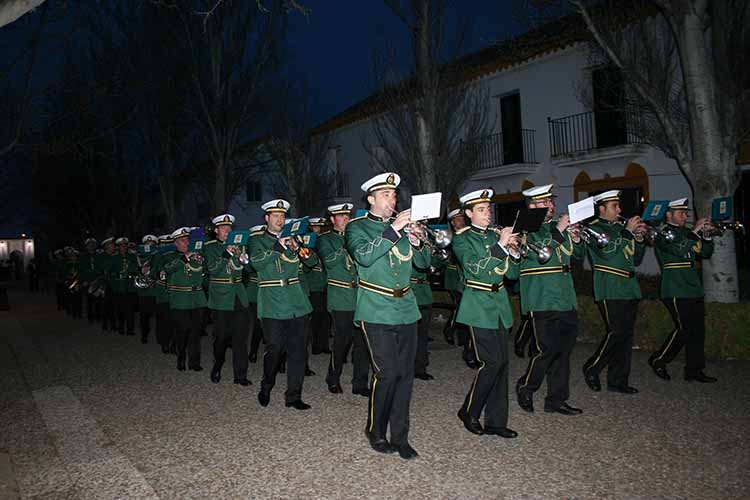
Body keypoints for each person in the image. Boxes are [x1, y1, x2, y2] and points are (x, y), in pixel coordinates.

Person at [345, 172, 431, 460]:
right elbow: (365, 257)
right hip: (375, 308)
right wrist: (394, 230)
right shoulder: (357, 228)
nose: (392, 199)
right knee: (388, 373)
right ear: (371, 199)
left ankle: (401, 437)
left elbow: (423, 265)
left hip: (406, 307)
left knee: (406, 375)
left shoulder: (404, 228)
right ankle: (376, 430)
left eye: (394, 195)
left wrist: (418, 241)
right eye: (385, 195)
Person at [452, 188, 519, 439]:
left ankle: (496, 421)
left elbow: (511, 275)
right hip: (478, 304)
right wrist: (501, 245)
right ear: (469, 213)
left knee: (502, 364)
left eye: (488, 209)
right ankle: (469, 411)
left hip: (499, 303)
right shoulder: (462, 238)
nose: (487, 213)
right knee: (490, 362)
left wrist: (513, 251)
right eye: (481, 210)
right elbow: (476, 270)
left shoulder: (495, 234)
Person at [515, 184, 584, 416]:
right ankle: (526, 386)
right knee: (546, 349)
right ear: (533, 206)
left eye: (552, 201)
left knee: (564, 351)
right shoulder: (525, 229)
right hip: (541, 296)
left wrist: (576, 237)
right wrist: (561, 231)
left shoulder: (557, 227)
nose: (552, 206)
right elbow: (541, 254)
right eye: (546, 202)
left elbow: (577, 257)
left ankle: (556, 399)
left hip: (565, 297)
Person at [251, 200, 317, 410]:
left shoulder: (294, 239)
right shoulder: (257, 240)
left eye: (282, 216)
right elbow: (256, 263)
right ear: (266, 218)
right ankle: (266, 384)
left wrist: (298, 247)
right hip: (272, 302)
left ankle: (293, 396)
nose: (280, 220)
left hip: (297, 301)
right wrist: (277, 247)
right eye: (276, 216)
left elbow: (312, 262)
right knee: (275, 349)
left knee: (298, 351)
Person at [582, 190, 647, 395]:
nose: (619, 210)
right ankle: (592, 367)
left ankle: (618, 380)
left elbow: (636, 259)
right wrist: (627, 232)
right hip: (609, 286)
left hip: (629, 286)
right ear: (601, 208)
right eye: (614, 206)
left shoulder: (621, 228)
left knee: (626, 336)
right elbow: (607, 252)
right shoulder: (593, 229)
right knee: (616, 332)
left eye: (619, 206)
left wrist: (639, 238)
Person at [648, 198, 717, 383]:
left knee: (697, 331)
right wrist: (695, 232)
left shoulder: (687, 232)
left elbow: (705, 253)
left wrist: (707, 236)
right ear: (669, 215)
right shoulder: (662, 233)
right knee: (684, 329)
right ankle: (659, 359)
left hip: (693, 287)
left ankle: (694, 370)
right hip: (675, 287)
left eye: (686, 213)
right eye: (681, 213)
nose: (685, 216)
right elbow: (679, 250)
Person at [320, 203, 370, 397]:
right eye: (341, 217)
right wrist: (346, 246)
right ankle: (333, 377)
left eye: (348, 216)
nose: (346, 219)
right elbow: (329, 262)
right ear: (333, 220)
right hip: (340, 296)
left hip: (360, 295)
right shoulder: (326, 239)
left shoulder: (356, 237)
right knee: (342, 340)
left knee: (362, 341)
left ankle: (359, 383)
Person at [204, 214, 251, 386]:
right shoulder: (210, 247)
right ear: (216, 231)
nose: (228, 231)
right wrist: (226, 253)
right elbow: (213, 269)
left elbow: (248, 268)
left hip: (238, 295)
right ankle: (217, 365)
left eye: (229, 228)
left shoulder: (240, 244)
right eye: (224, 228)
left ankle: (240, 375)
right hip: (221, 298)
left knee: (240, 338)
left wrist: (244, 258)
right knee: (222, 337)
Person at [164, 227, 206, 372]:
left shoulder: (197, 255)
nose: (186, 243)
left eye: (187, 240)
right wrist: (185, 257)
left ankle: (194, 362)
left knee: (195, 332)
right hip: (180, 300)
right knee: (182, 331)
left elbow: (203, 275)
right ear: (176, 243)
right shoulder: (170, 256)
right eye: (182, 241)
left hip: (196, 300)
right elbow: (167, 269)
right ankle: (181, 359)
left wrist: (200, 260)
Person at [150, 235, 176, 354]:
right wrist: (158, 272)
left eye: (169, 244)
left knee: (175, 320)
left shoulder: (177, 255)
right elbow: (153, 272)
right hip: (162, 293)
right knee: (163, 320)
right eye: (164, 244)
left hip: (175, 292)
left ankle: (174, 344)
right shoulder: (157, 256)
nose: (167, 247)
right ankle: (164, 342)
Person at [110, 237, 139, 335]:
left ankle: (130, 329)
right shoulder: (114, 258)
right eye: (121, 245)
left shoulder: (132, 257)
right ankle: (121, 327)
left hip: (130, 287)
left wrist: (131, 273)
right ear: (118, 247)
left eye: (125, 245)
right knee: (120, 310)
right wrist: (117, 275)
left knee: (130, 310)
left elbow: (137, 269)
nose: (124, 247)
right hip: (119, 287)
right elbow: (110, 272)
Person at [246, 224, 265, 364]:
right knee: (258, 325)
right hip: (255, 291)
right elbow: (248, 269)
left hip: (270, 290)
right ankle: (253, 351)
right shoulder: (251, 251)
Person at [137, 234, 160, 344]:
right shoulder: (139, 257)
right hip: (145, 291)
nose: (149, 246)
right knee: (144, 316)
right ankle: (144, 335)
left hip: (156, 291)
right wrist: (140, 270)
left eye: (152, 245)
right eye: (147, 244)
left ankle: (160, 337)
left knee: (160, 317)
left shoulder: (158, 256)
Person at [78, 238, 99, 322]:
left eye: (93, 244)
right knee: (89, 300)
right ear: (86, 246)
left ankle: (98, 316)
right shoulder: (83, 256)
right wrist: (83, 280)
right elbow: (81, 270)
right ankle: (90, 317)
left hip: (97, 280)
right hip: (88, 281)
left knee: (98, 300)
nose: (91, 246)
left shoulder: (98, 255)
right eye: (89, 245)